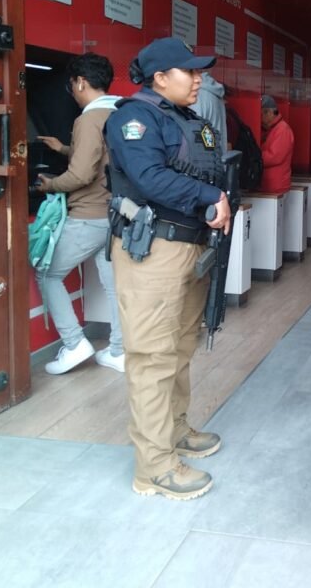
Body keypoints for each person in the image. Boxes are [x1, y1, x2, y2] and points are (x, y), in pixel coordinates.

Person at [103, 36, 232, 501]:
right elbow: (150, 178)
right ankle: (154, 467)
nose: (199, 79)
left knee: (179, 347)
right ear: (159, 77)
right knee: (152, 356)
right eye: (190, 72)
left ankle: (174, 430)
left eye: (199, 72)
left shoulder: (187, 119)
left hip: (189, 248)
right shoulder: (132, 119)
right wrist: (210, 197)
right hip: (152, 251)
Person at [34, 53, 124, 375]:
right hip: (115, 214)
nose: (71, 92)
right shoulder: (119, 112)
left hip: (89, 215)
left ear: (81, 82)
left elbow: (82, 174)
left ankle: (74, 344)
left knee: (47, 273)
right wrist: (63, 149)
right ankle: (119, 351)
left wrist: (50, 185)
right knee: (114, 285)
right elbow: (101, 156)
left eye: (71, 85)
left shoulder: (88, 119)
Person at [259, 94, 294, 193]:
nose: (260, 118)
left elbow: (274, 157)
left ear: (270, 113)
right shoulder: (273, 129)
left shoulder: (282, 130)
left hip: (276, 186)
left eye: (261, 114)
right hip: (271, 185)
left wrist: (256, 157)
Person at [195, 70, 228, 151]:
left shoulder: (196, 95)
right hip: (215, 153)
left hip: (205, 155)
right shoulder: (212, 92)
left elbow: (196, 135)